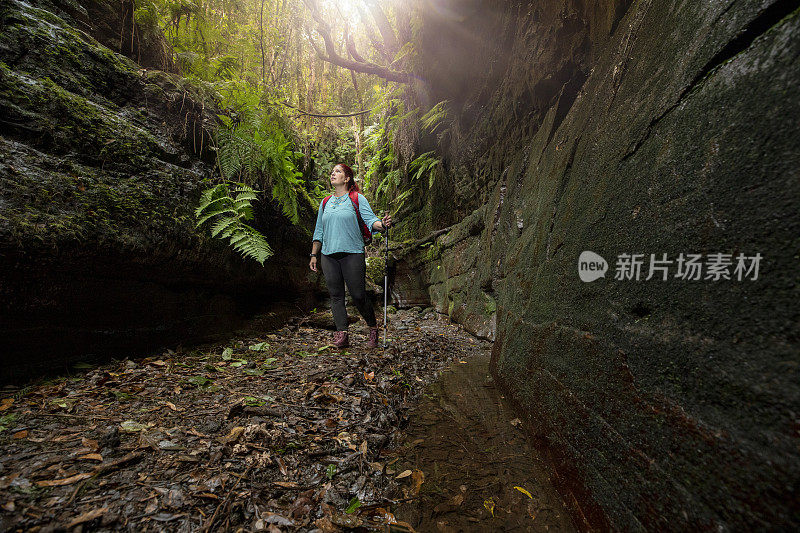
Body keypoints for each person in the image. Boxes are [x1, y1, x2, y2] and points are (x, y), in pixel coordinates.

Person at [310, 163, 392, 348]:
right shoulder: (325, 202)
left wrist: (383, 225)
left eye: (338, 171)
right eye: (332, 171)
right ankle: (342, 334)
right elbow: (319, 231)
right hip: (328, 255)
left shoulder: (356, 199)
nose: (333, 174)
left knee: (358, 295)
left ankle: (372, 327)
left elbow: (371, 221)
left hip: (352, 253)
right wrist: (314, 254)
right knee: (336, 296)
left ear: (347, 178)